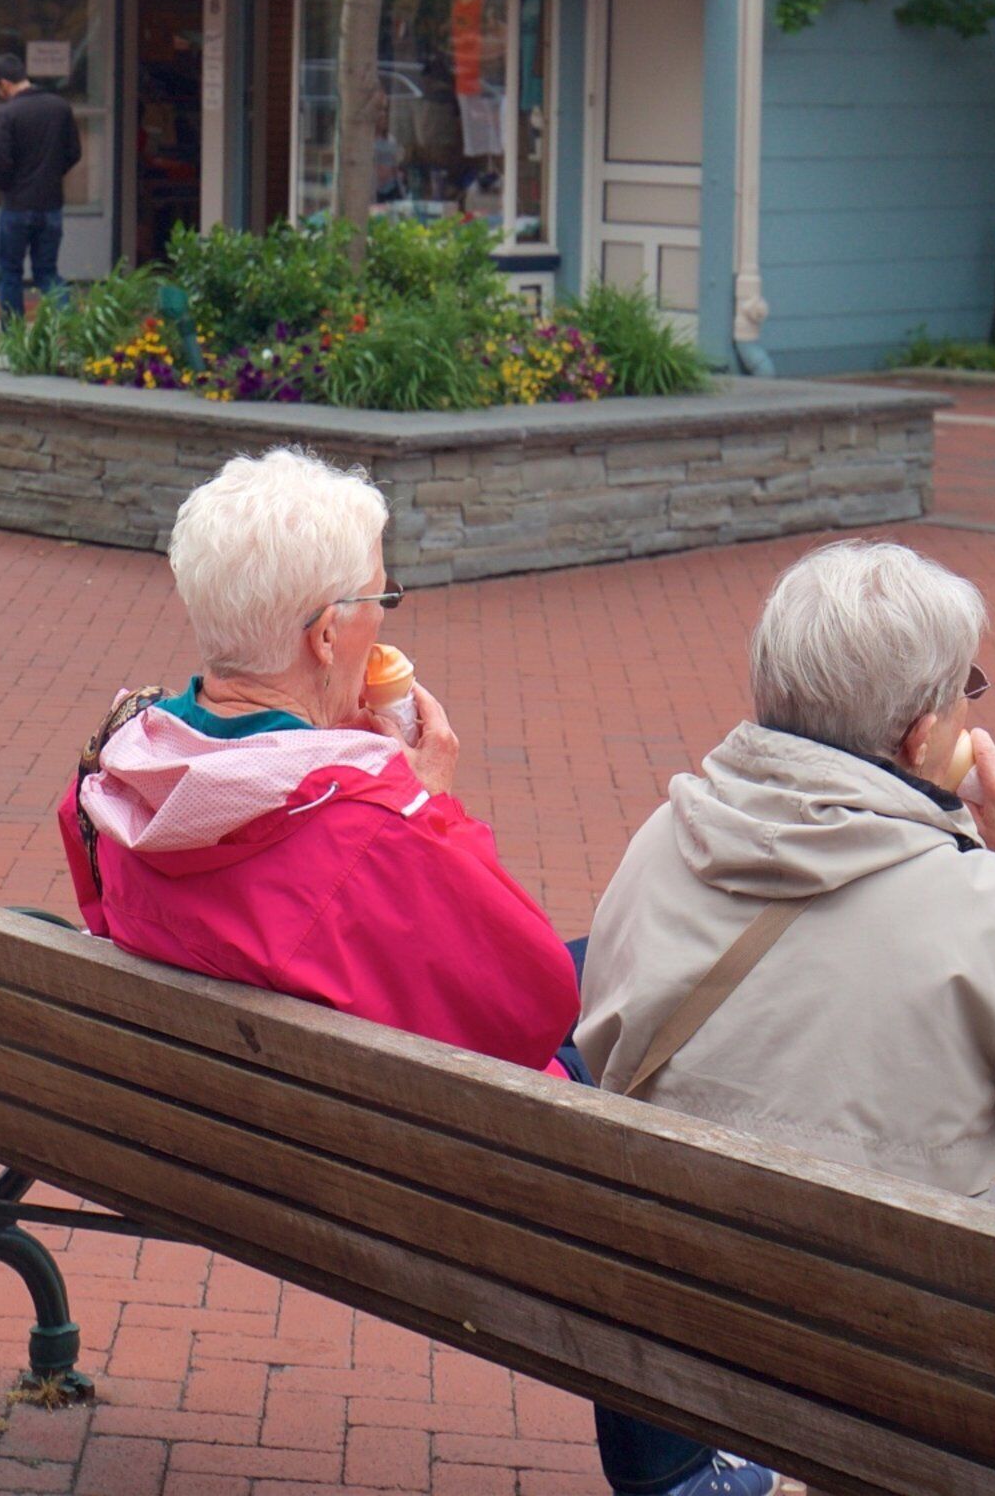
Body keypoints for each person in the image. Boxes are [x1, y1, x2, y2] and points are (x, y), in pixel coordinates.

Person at [59, 446, 762, 1496]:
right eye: (381, 595)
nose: (388, 616)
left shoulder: (127, 773)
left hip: (256, 1124)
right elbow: (535, 1002)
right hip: (431, 1164)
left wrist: (345, 757)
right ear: (330, 631)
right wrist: (427, 804)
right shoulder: (368, 831)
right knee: (647, 1031)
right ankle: (680, 1475)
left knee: (636, 974)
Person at [576, 540, 995, 1201]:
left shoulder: (664, 838)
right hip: (892, 1299)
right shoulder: (987, 912)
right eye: (964, 691)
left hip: (668, 1268)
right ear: (920, 740)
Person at [0, 55, 78, 316]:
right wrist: (53, 174)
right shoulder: (59, 107)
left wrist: (7, 187)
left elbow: (0, 162)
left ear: (2, 83)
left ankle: (14, 337)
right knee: (48, 272)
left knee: (10, 272)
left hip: (16, 206)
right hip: (51, 204)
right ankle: (71, 327)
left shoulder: (8, 114)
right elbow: (74, 152)